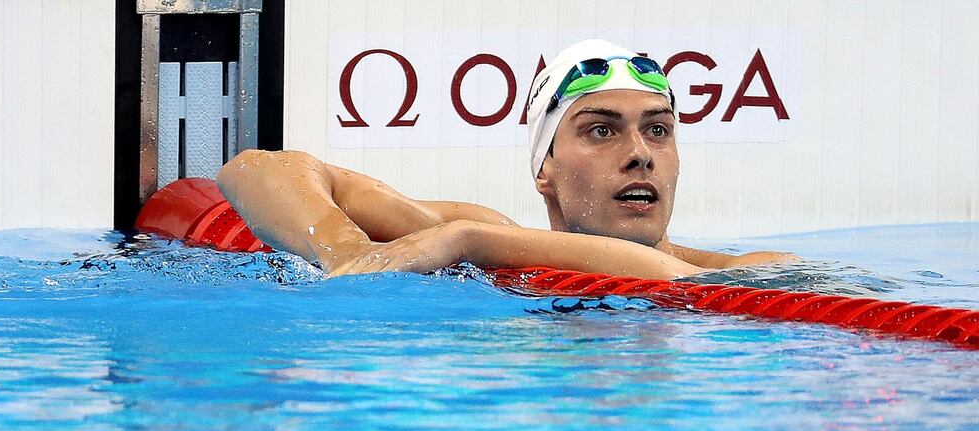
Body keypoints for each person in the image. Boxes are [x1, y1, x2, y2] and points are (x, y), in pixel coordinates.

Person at [216, 39, 794, 280]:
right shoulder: (485, 234)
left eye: (658, 131)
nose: (640, 154)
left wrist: (471, 244)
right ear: (544, 168)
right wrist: (346, 251)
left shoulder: (755, 272)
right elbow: (256, 169)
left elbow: (682, 285)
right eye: (601, 131)